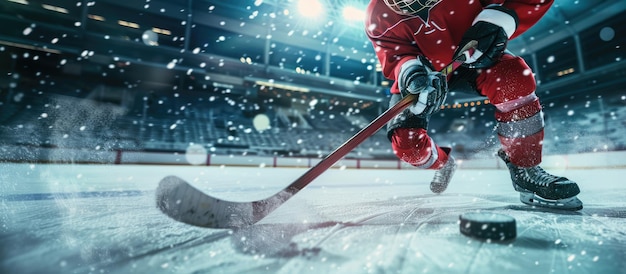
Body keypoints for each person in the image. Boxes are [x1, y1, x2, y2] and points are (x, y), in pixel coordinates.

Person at [364, 0, 582, 210]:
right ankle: (443, 163)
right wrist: (410, 71)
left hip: (473, 59)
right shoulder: (377, 13)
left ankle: (525, 167)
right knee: (407, 146)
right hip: (425, 72)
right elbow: (393, 52)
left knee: (513, 78)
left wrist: (500, 20)